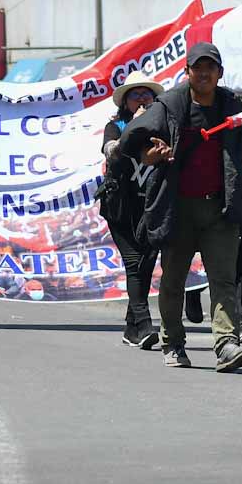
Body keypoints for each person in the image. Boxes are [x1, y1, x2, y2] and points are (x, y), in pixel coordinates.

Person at [120, 43, 242, 371]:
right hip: (177, 209)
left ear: (220, 73)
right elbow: (140, 148)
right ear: (187, 72)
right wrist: (153, 154)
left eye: (210, 67)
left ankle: (226, 344)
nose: (204, 73)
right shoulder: (169, 105)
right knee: (173, 281)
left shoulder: (232, 105)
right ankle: (172, 342)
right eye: (198, 67)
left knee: (224, 280)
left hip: (219, 209)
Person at [100, 76, 163, 348]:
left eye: (146, 94)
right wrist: (135, 127)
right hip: (120, 209)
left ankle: (131, 328)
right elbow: (111, 151)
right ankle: (146, 325)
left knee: (146, 265)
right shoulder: (115, 127)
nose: (141, 99)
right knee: (134, 262)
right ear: (125, 102)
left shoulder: (162, 127)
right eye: (135, 95)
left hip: (151, 209)